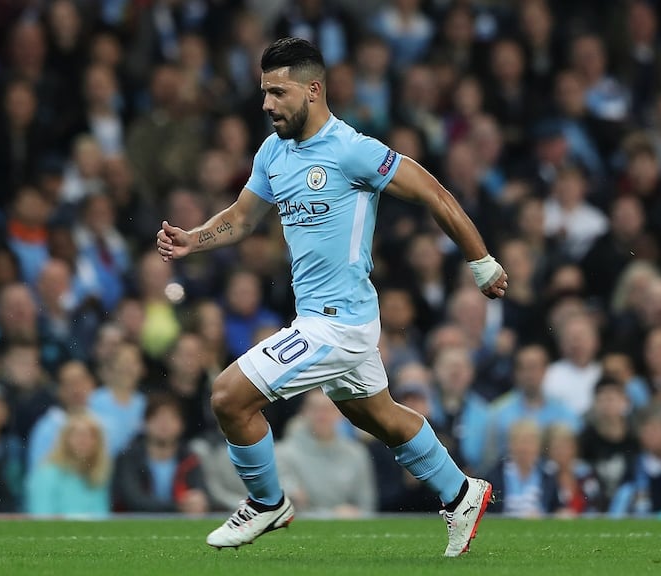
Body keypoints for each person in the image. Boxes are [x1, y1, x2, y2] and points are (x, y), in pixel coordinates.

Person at [156, 37, 507, 556]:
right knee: (379, 417)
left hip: (335, 324)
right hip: (336, 320)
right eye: (263, 93)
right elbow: (240, 218)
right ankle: (461, 494)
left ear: (313, 90)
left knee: (229, 396)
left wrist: (482, 263)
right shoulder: (273, 152)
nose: (267, 104)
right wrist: (195, 238)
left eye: (278, 92)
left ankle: (267, 502)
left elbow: (435, 192)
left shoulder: (352, 150)